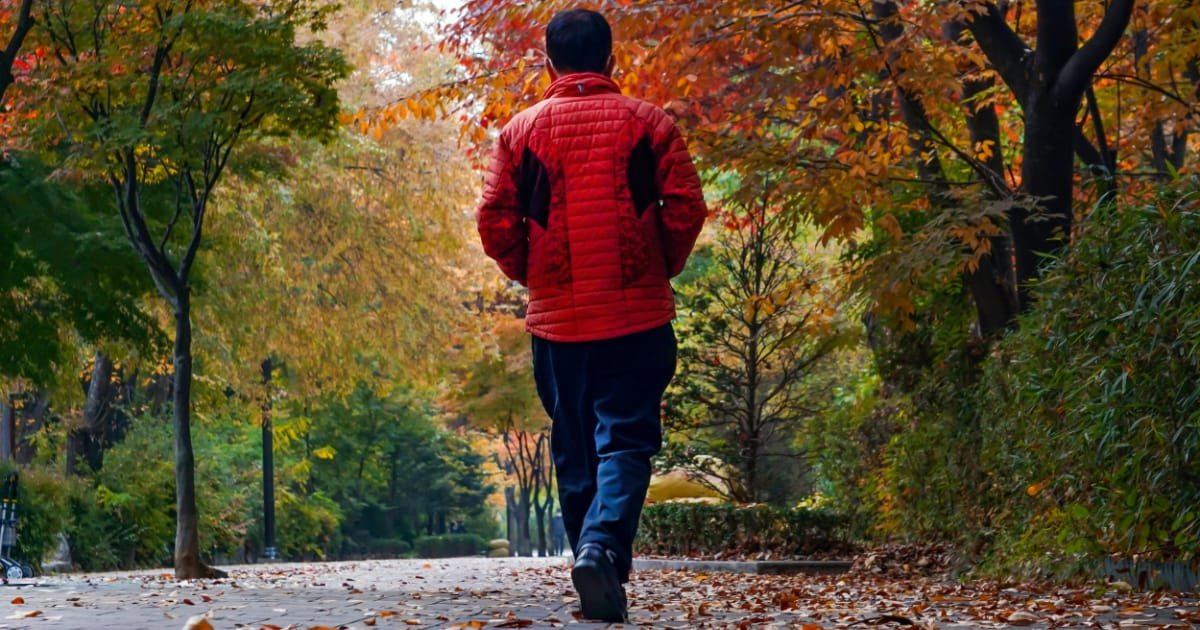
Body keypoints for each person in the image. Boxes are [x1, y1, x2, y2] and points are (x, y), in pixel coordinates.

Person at [476, 8, 707, 623]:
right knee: (626, 441)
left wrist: (535, 273)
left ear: (547, 64)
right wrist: (660, 264)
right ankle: (602, 551)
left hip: (558, 326)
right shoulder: (650, 124)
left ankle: (590, 554)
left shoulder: (519, 133)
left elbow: (494, 221)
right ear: (611, 61)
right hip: (638, 319)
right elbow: (686, 206)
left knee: (575, 448)